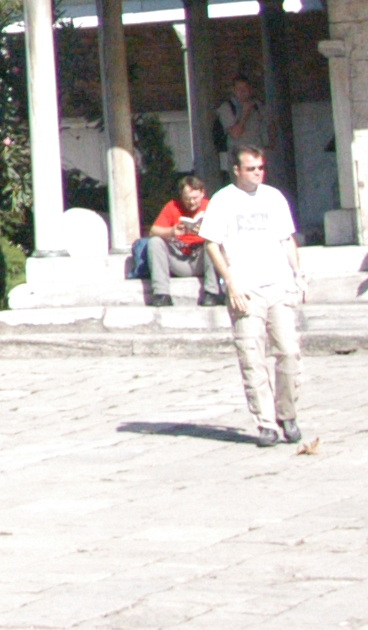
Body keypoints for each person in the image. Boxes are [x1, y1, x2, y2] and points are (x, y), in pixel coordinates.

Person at [198, 148, 303, 446]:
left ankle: (287, 414)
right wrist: (230, 282)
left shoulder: (273, 197)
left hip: (278, 282)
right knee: (252, 356)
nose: (258, 173)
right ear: (236, 170)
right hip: (245, 287)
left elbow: (286, 238)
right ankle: (266, 423)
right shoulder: (223, 200)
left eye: (260, 167)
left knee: (289, 352)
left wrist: (298, 273)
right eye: (251, 168)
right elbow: (212, 244)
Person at [126, 174, 222, 306]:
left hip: (202, 259)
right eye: (187, 199)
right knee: (155, 242)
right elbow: (153, 231)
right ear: (181, 196)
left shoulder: (212, 207)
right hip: (178, 258)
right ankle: (161, 294)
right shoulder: (172, 206)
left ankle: (211, 293)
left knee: (212, 244)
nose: (191, 202)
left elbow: (225, 235)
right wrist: (171, 231)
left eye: (195, 198)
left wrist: (205, 232)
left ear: (202, 193)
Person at [213, 74, 272, 174]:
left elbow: (270, 126)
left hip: (257, 157)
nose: (243, 92)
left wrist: (268, 143)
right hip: (239, 161)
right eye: (239, 89)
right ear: (233, 90)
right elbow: (235, 134)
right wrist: (245, 114)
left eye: (245, 89)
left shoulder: (258, 106)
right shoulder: (227, 108)